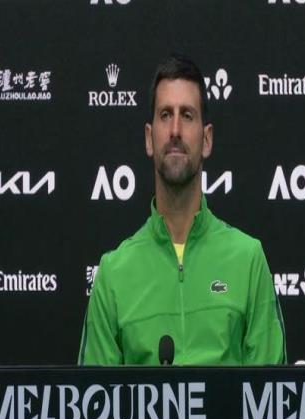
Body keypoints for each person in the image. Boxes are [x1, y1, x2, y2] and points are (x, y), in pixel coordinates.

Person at [78, 54, 286, 365]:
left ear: (207, 139)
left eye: (187, 115)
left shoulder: (248, 260)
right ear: (149, 139)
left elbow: (270, 392)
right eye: (165, 115)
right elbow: (94, 395)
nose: (175, 130)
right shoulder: (113, 273)